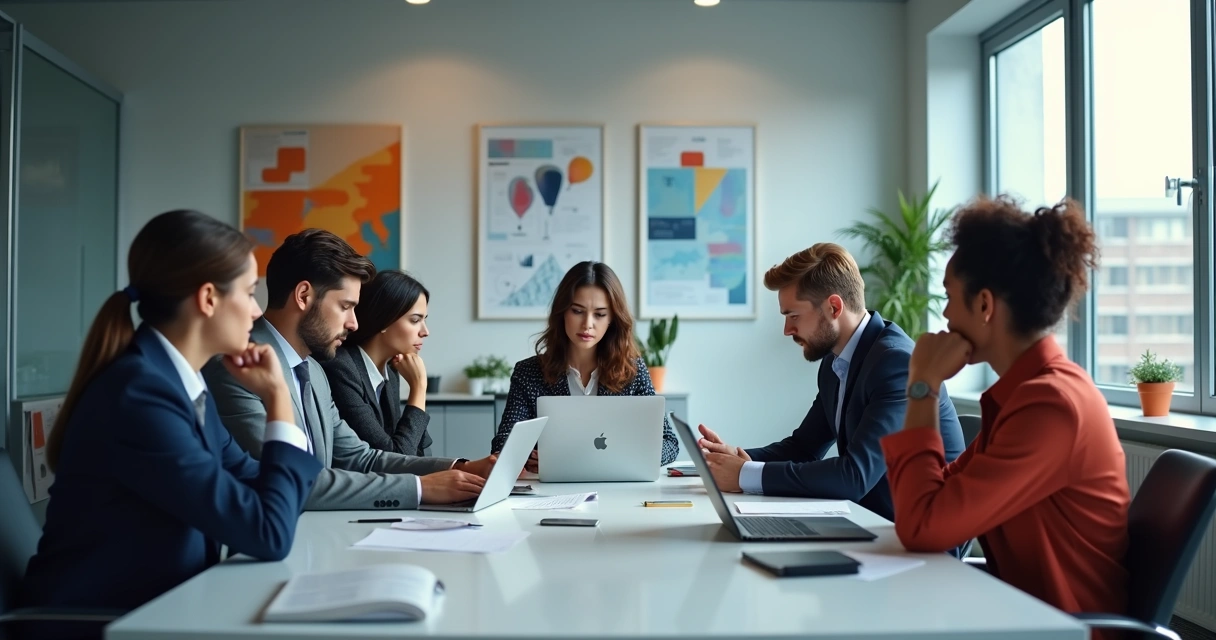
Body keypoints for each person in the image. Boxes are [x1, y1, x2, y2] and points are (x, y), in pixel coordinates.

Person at [19, 210, 322, 640]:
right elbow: (267, 531)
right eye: (249, 292)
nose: (256, 311)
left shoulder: (182, 384)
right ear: (208, 299)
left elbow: (263, 488)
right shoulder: (141, 396)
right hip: (101, 625)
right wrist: (277, 400)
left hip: (164, 609)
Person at [881, 197, 1129, 615]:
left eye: (948, 297)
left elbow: (922, 526)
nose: (943, 314)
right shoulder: (1027, 394)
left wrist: (923, 384)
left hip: (1062, 628)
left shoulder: (1051, 406)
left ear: (984, 305)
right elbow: (932, 500)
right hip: (1019, 613)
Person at [203, 229, 496, 510]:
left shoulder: (315, 372)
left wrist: (461, 467)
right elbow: (288, 480)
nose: (354, 323)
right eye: (345, 306)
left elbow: (361, 458)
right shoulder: (237, 368)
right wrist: (421, 489)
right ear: (304, 296)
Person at [696, 243, 965, 523]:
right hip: (871, 524)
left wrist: (743, 475)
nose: (787, 330)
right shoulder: (835, 361)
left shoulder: (895, 364)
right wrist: (737, 459)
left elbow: (854, 476)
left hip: (917, 537)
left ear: (833, 307)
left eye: (793, 316)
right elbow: (804, 448)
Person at [490, 261, 679, 469]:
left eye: (599, 314)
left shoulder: (632, 371)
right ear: (562, 312)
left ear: (612, 320)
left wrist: (622, 456)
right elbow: (503, 445)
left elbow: (669, 443)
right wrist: (523, 458)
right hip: (550, 491)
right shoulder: (528, 372)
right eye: (577, 311)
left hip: (616, 486)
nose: (587, 324)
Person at [321, 269, 434, 456]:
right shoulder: (341, 368)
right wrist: (419, 388)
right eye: (415, 320)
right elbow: (394, 457)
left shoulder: (390, 370)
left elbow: (418, 450)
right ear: (384, 320)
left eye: (424, 320)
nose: (425, 331)